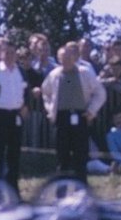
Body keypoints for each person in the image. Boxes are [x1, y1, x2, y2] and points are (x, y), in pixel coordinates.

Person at [41, 42, 106, 181]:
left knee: (81, 155)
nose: (66, 60)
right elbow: (45, 93)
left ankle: (82, 187)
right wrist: (50, 110)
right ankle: (62, 189)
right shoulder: (54, 75)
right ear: (58, 59)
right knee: (62, 156)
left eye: (69, 57)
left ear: (74, 57)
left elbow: (100, 93)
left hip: (80, 115)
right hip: (61, 117)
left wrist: (91, 111)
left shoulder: (85, 72)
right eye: (63, 58)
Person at [0, 37, 30, 190]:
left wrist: (26, 105)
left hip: (15, 117)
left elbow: (26, 90)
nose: (9, 56)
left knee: (14, 155)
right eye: (6, 53)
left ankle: (13, 190)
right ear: (1, 53)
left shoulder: (21, 72)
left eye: (12, 53)